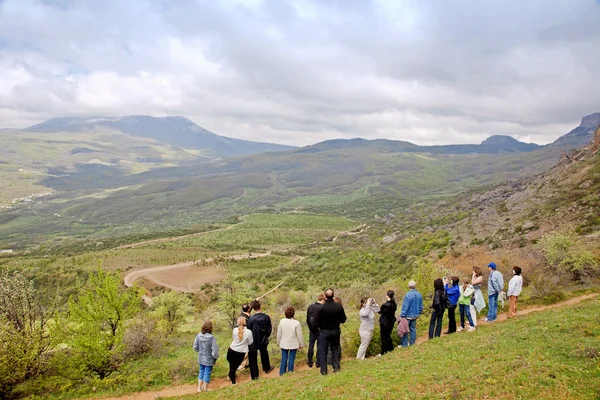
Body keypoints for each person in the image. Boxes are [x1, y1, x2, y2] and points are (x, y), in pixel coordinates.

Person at [316, 288, 347, 375]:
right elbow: (343, 319)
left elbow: (316, 321)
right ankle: (336, 367)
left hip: (324, 331)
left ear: (325, 296)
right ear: (333, 296)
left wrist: (320, 327)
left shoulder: (321, 308)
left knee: (323, 350)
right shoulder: (338, 306)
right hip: (335, 330)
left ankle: (323, 371)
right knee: (335, 348)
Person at [247, 300, 274, 379]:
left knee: (252, 358)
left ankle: (254, 375)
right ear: (260, 307)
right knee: (264, 353)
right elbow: (269, 329)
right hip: (263, 339)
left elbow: (249, 330)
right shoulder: (266, 317)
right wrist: (266, 336)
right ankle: (267, 368)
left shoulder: (250, 319)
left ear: (253, 308)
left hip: (252, 341)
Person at [193, 320, 219, 392]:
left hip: (201, 357)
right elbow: (215, 351)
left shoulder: (199, 335)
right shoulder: (211, 338)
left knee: (201, 371)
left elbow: (195, 346)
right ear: (211, 328)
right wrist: (215, 358)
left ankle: (199, 388)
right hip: (209, 359)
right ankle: (205, 389)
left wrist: (200, 351)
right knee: (207, 373)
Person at [277, 306, 304, 376]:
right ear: (293, 313)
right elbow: (299, 335)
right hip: (293, 343)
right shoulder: (296, 323)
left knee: (284, 357)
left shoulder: (282, 321)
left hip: (284, 342)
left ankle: (282, 372)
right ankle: (290, 371)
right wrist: (301, 344)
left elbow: (279, 333)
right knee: (291, 358)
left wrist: (278, 341)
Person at [226, 316, 253, 385]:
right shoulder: (249, 332)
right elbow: (250, 342)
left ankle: (230, 376)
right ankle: (233, 382)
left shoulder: (234, 330)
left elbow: (234, 338)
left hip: (232, 349)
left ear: (237, 322)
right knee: (234, 367)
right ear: (245, 322)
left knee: (232, 366)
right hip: (241, 352)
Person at [398, 280, 423, 347]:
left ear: (409, 286)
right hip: (415, 315)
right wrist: (419, 312)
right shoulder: (419, 294)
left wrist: (402, 315)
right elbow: (421, 305)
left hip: (407, 315)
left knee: (405, 329)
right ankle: (412, 343)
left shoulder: (408, 295)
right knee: (413, 329)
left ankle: (404, 344)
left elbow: (405, 306)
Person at [306, 293, 325, 368]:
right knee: (319, 346)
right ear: (322, 300)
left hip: (312, 329)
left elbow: (307, 319)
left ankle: (309, 361)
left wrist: (310, 327)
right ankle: (318, 362)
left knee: (311, 345)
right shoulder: (322, 308)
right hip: (320, 330)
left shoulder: (310, 307)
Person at [378, 290, 397, 355]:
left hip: (384, 322)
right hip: (391, 322)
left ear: (387, 296)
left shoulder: (385, 305)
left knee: (383, 337)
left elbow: (380, 312)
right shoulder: (394, 303)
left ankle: (384, 351)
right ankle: (390, 348)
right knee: (388, 335)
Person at [237, 303, 252, 371]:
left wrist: (255, 300)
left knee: (246, 351)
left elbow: (248, 308)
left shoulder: (242, 314)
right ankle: (241, 366)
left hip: (241, 334)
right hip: (245, 334)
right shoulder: (247, 318)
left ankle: (246, 364)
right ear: (248, 309)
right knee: (245, 351)